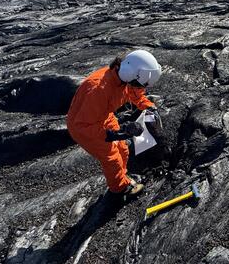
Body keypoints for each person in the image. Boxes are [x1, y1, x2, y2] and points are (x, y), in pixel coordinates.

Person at [66, 50, 162, 196]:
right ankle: (119, 189)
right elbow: (84, 125)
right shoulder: (98, 89)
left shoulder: (125, 79)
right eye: (137, 84)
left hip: (103, 116)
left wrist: (149, 107)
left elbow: (135, 93)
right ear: (131, 74)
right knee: (112, 158)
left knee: (123, 149)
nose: (138, 87)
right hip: (84, 127)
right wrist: (119, 132)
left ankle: (123, 177)